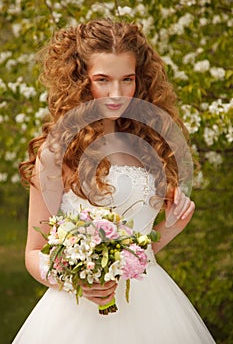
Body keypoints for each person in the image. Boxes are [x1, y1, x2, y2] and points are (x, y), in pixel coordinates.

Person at [12, 19, 215, 343]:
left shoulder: (148, 144)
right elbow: (34, 252)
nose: (117, 93)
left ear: (141, 79)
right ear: (80, 79)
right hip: (78, 312)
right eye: (103, 80)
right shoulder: (59, 152)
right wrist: (74, 278)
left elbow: (137, 254)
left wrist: (170, 227)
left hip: (151, 303)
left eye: (127, 80)